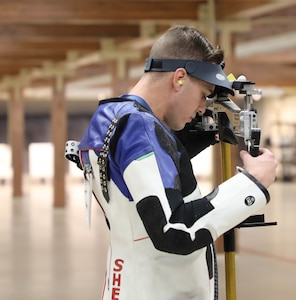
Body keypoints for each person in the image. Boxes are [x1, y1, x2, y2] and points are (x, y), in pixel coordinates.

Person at [75, 25, 277, 300]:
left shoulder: (112, 116)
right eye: (204, 95)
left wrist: (198, 139)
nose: (203, 108)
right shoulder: (140, 128)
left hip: (132, 284)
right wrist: (251, 185)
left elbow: (144, 178)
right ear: (179, 78)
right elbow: (173, 229)